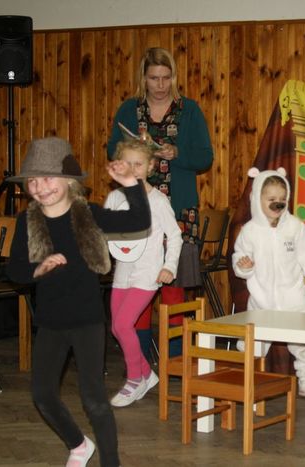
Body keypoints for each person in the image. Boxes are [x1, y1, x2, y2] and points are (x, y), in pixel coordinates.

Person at [6, 137, 151, 467]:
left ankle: (111, 462)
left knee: (94, 400)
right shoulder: (26, 222)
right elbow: (14, 270)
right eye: (33, 181)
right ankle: (78, 444)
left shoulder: (88, 214)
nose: (40, 188)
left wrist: (131, 184)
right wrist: (38, 269)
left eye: (48, 178)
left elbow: (139, 221)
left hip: (87, 320)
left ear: (68, 181)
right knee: (42, 395)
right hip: (50, 322)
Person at [107, 47, 213, 360]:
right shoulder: (129, 109)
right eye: (154, 78)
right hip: (138, 208)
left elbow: (205, 157)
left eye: (166, 78)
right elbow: (112, 151)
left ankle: (176, 360)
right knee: (138, 282)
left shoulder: (189, 110)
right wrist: (135, 150)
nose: (161, 85)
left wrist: (177, 153)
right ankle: (138, 357)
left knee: (173, 284)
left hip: (178, 208)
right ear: (144, 78)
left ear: (173, 77)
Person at [231, 167, 305, 397]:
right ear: (257, 199)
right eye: (271, 199)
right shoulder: (250, 231)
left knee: (304, 346)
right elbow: (239, 258)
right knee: (251, 346)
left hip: (293, 302)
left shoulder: (295, 227)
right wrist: (244, 266)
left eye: (282, 199)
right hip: (261, 304)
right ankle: (248, 383)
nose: (277, 204)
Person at [104, 140, 183, 407]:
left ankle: (135, 380)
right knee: (116, 327)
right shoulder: (115, 198)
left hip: (148, 273)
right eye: (127, 164)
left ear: (150, 167)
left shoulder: (157, 201)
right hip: (122, 273)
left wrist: (169, 266)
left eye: (138, 164)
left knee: (123, 324)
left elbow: (175, 236)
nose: (132, 169)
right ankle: (148, 374)